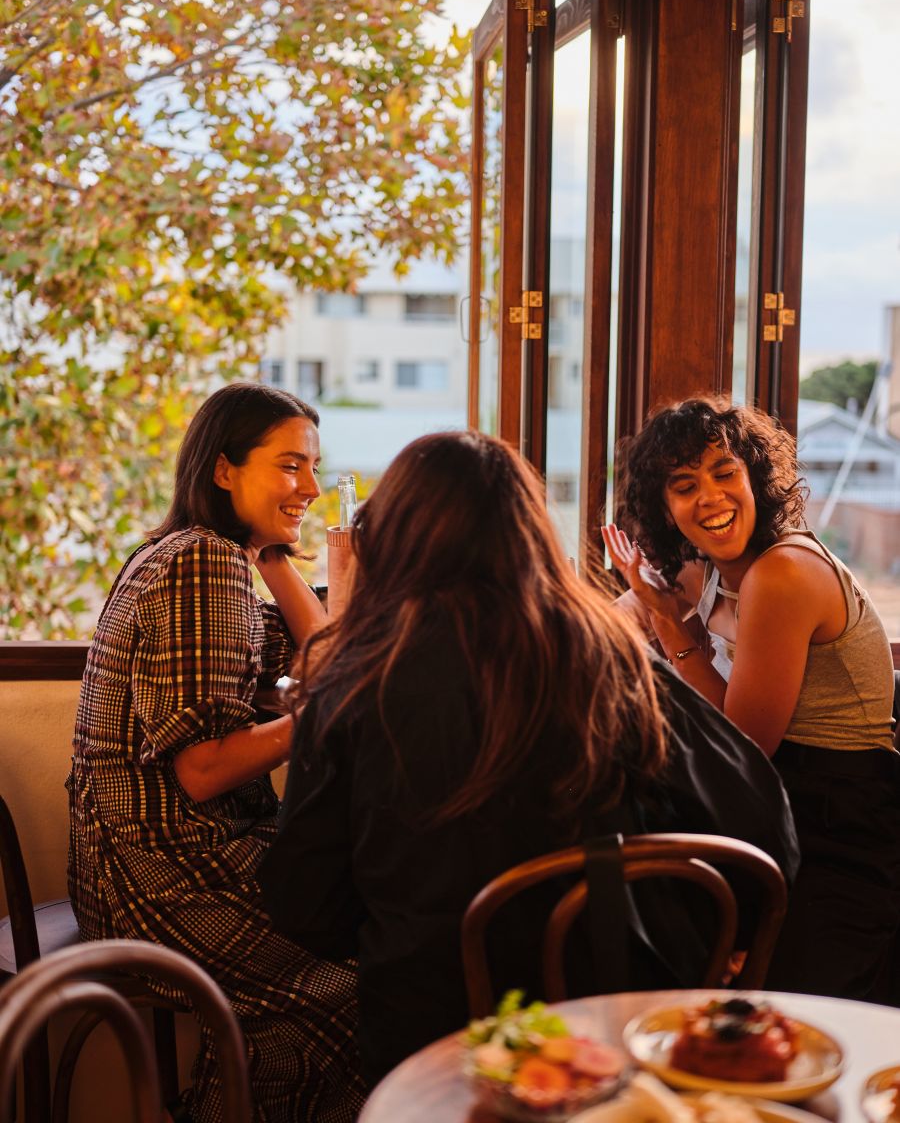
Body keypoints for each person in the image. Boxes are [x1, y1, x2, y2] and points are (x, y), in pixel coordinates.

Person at [257, 430, 798, 1090]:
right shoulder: (608, 655)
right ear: (531, 533)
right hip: (610, 1017)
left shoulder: (354, 679)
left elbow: (304, 906)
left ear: (390, 540)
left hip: (433, 1036)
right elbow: (759, 819)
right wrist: (723, 937)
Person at [67, 383, 364, 1123]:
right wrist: (316, 718)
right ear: (223, 469)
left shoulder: (207, 558)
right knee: (373, 970)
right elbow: (201, 772)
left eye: (314, 468)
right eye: (289, 466)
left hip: (144, 868)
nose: (311, 487)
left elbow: (328, 657)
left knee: (362, 926)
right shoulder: (201, 566)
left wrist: (276, 558)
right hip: (160, 879)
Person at [603, 394, 900, 1004]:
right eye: (684, 486)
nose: (710, 498)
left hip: (837, 818)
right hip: (774, 801)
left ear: (756, 477)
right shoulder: (711, 569)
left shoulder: (782, 573)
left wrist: (669, 627)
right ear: (665, 509)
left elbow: (742, 746)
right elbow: (608, 628)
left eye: (724, 473)